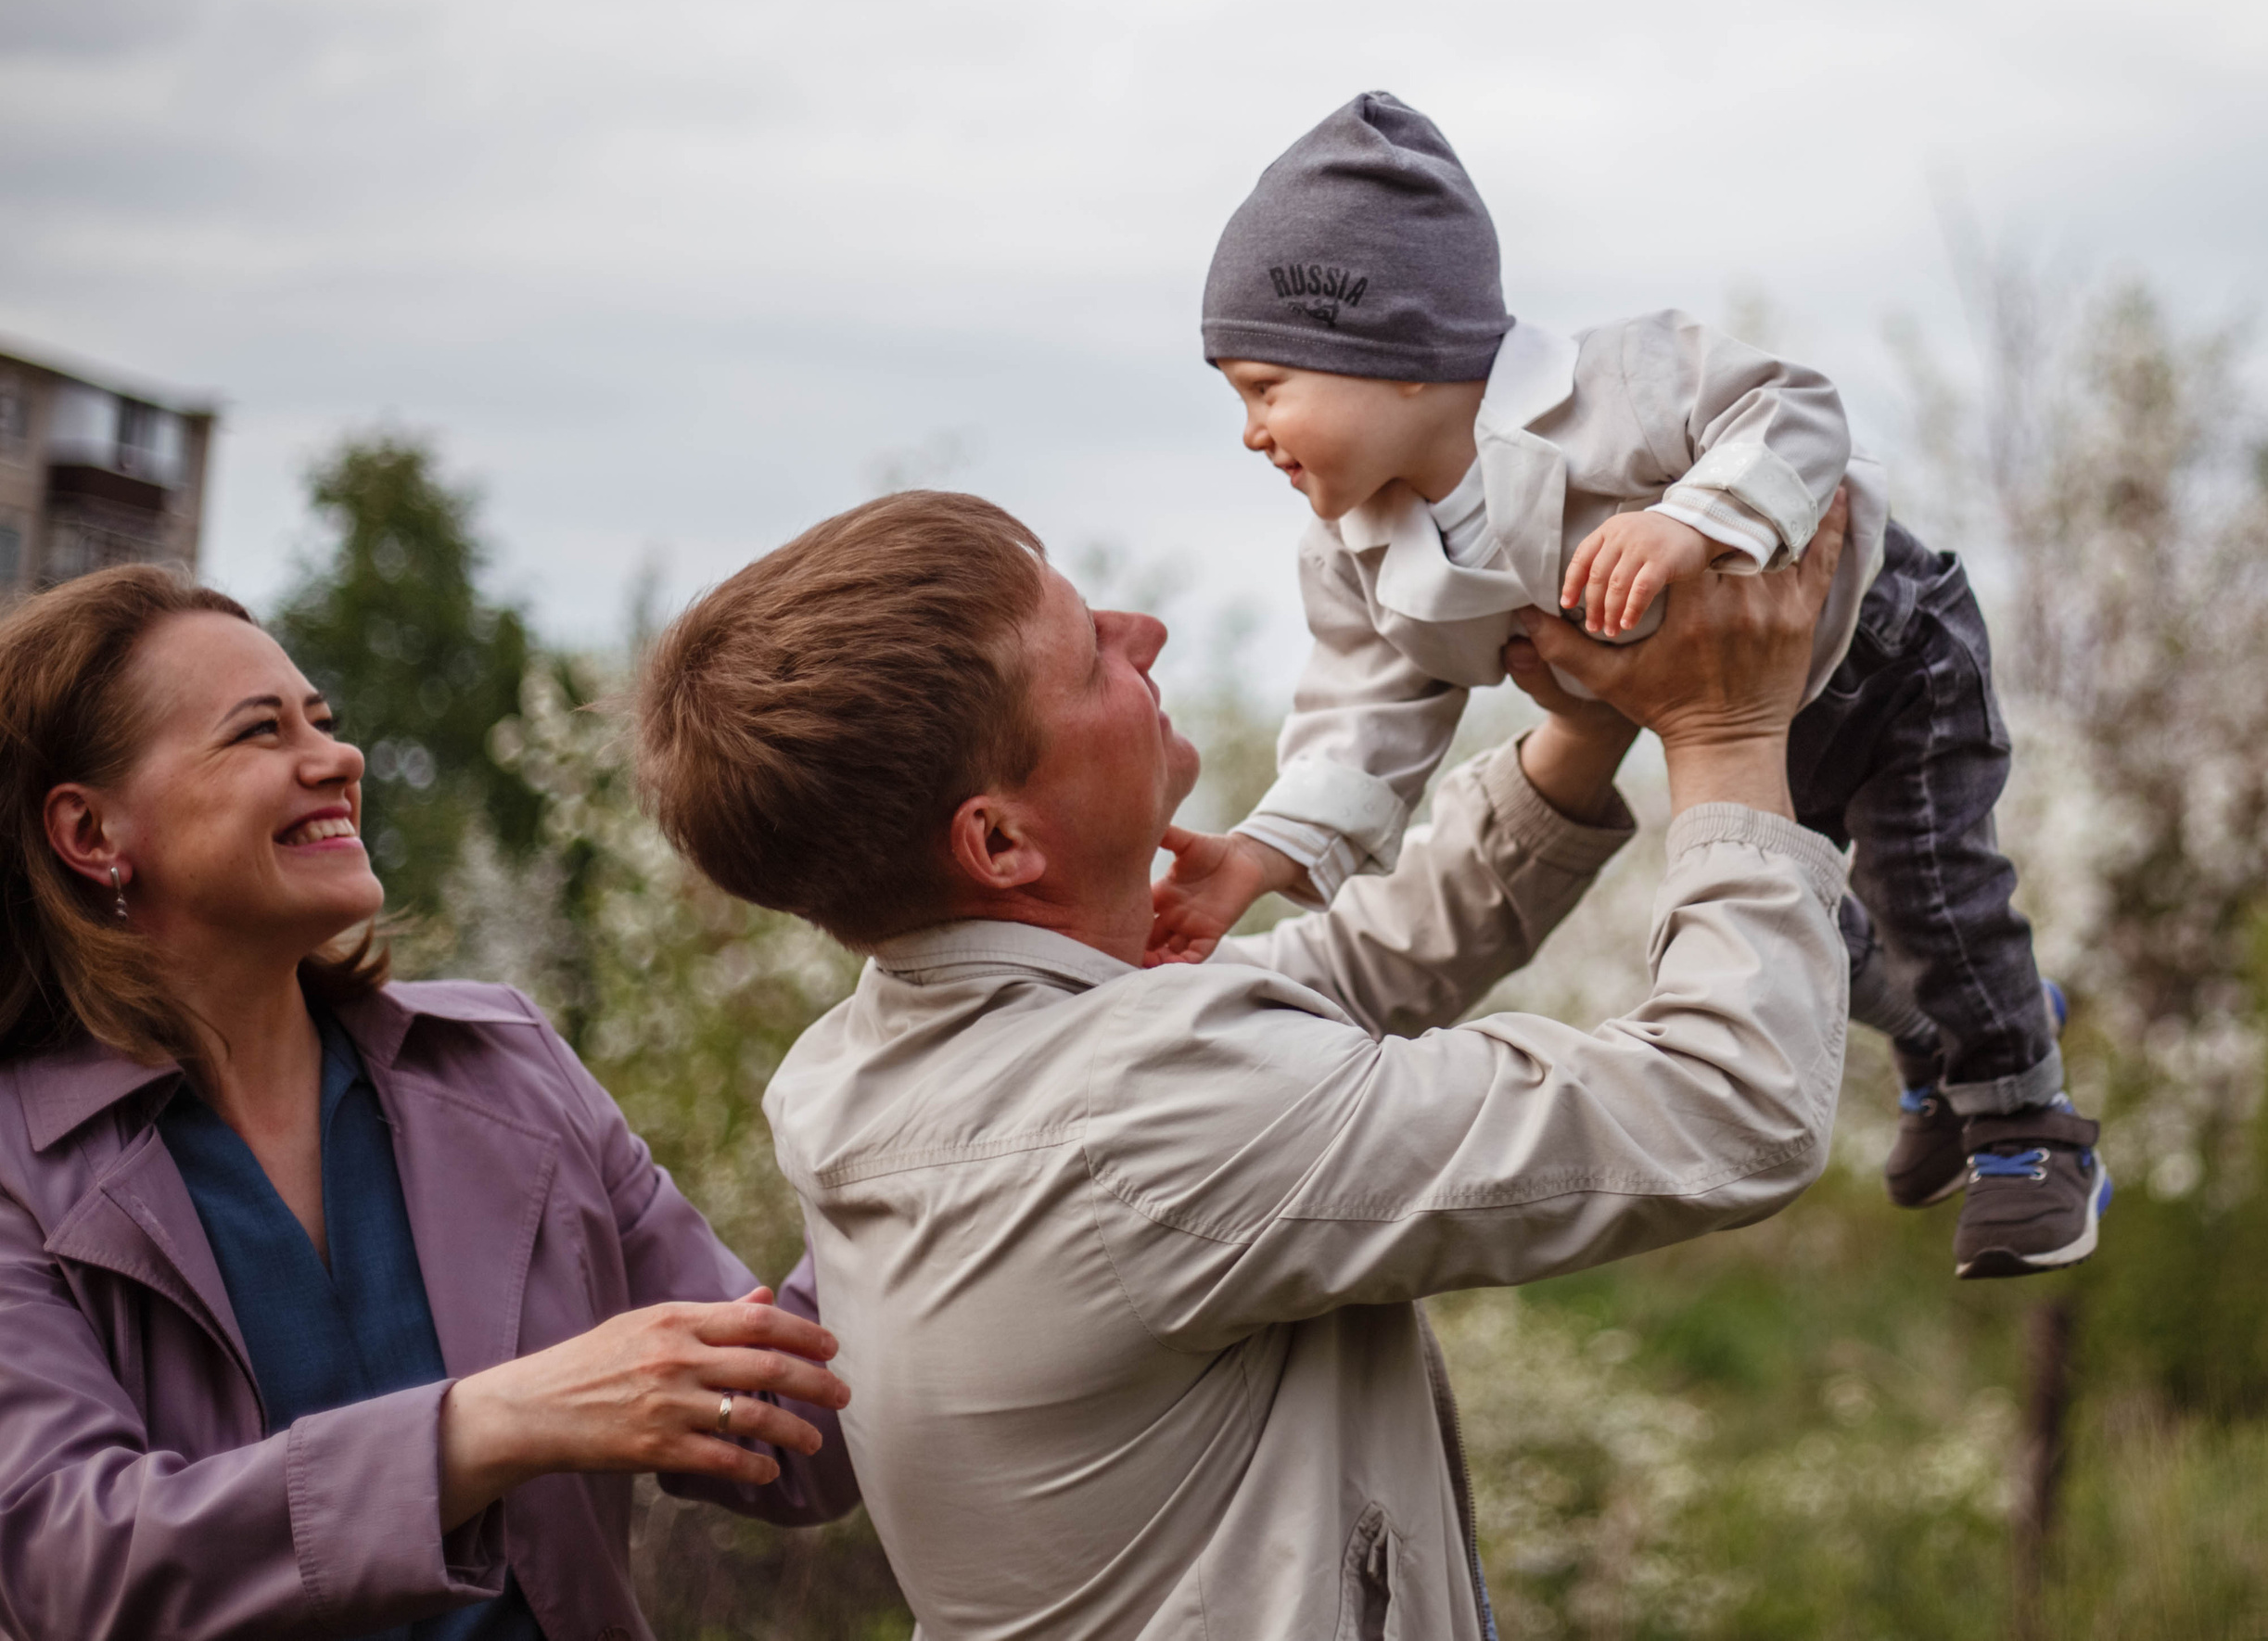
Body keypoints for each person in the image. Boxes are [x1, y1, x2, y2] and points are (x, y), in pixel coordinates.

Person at [635, 486, 1846, 1640]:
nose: (1145, 630)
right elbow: (1730, 1103)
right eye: (1090, 654)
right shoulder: (1141, 1109)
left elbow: (1364, 967)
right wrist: (1728, 731)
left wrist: (1586, 723)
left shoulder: (889, 1058)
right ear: (999, 840)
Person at [1163, 90, 2108, 1280]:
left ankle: (2029, 1128)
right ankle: (1936, 1044)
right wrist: (1261, 855)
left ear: (1395, 357)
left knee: (1933, 890)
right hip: (1741, 715)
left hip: (1886, 649)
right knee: (1796, 920)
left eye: (1262, 387)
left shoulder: (1611, 390)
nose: (1250, 432)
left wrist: (1688, 519)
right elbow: (1361, 723)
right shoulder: (1353, 553)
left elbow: (1795, 408)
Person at [0, 566, 857, 1640]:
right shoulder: (16, 1168)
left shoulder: (506, 1065)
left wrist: (966, 1012)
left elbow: (788, 1432)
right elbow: (67, 1570)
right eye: (259, 732)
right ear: (90, 832)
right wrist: (498, 1422)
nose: (340, 756)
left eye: (325, 719)